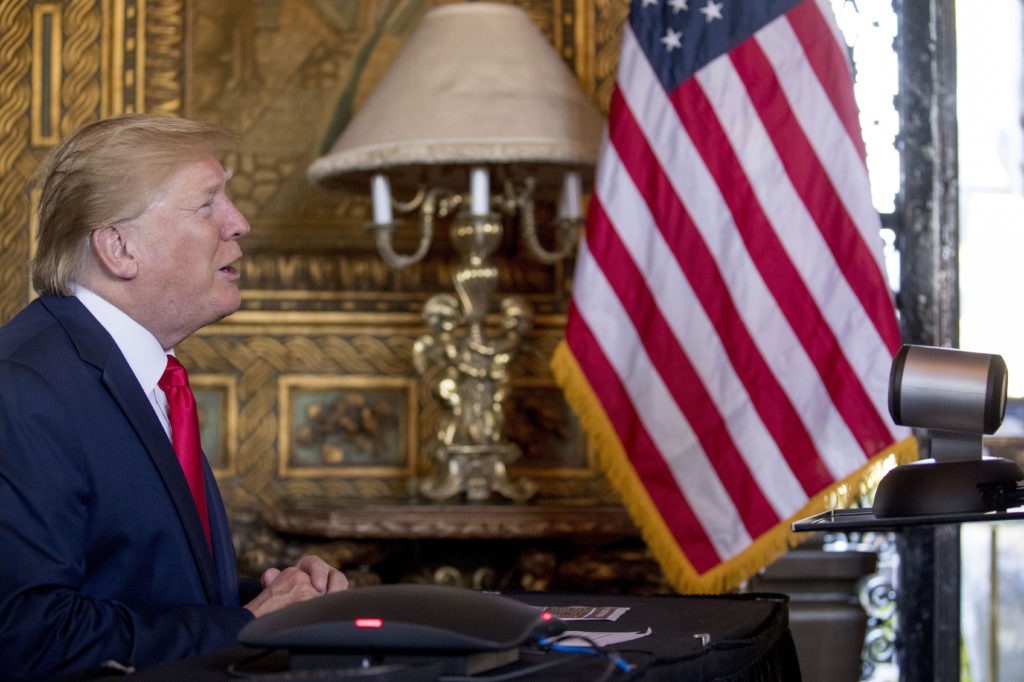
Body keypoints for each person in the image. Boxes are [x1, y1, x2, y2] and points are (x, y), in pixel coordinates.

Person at [0, 114, 349, 679]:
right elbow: (28, 635)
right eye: (207, 204)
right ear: (118, 247)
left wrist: (278, 600)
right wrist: (246, 628)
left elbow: (138, 586)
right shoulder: (22, 387)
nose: (240, 222)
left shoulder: (143, 374)